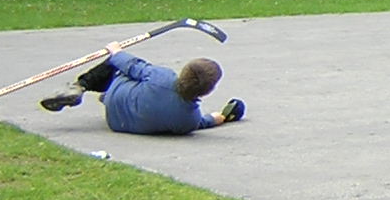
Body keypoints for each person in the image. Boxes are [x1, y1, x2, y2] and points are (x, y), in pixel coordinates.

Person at [39, 43, 244, 134]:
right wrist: (218, 118)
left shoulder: (162, 77)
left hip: (118, 97)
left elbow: (130, 65)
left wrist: (116, 51)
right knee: (142, 79)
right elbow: (201, 123)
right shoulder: (189, 120)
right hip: (118, 124)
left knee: (120, 65)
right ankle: (102, 95)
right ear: (208, 91)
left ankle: (80, 86)